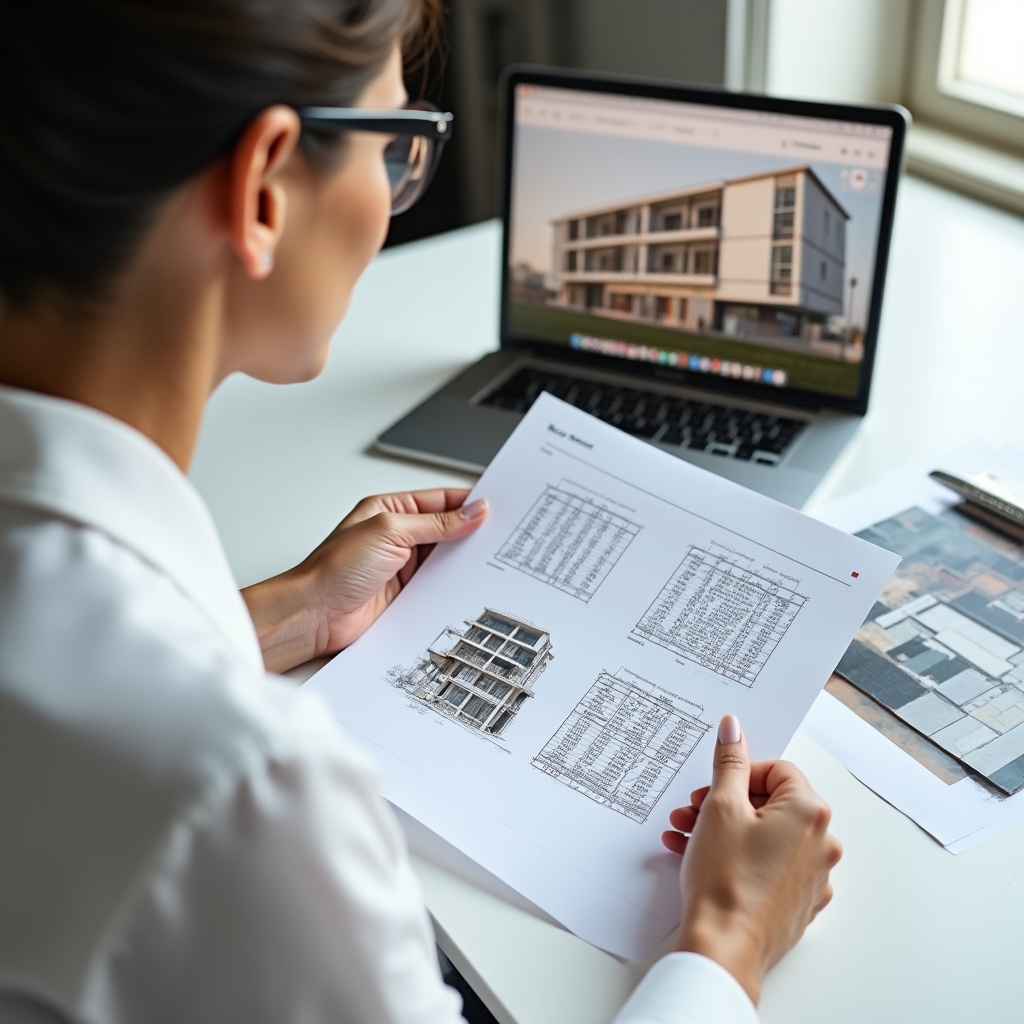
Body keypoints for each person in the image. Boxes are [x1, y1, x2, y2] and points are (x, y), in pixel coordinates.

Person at [0, 1, 842, 1021]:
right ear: (265, 186)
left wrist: (279, 614)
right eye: (393, 141)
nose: (396, 191)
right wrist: (728, 942)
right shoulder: (246, 797)